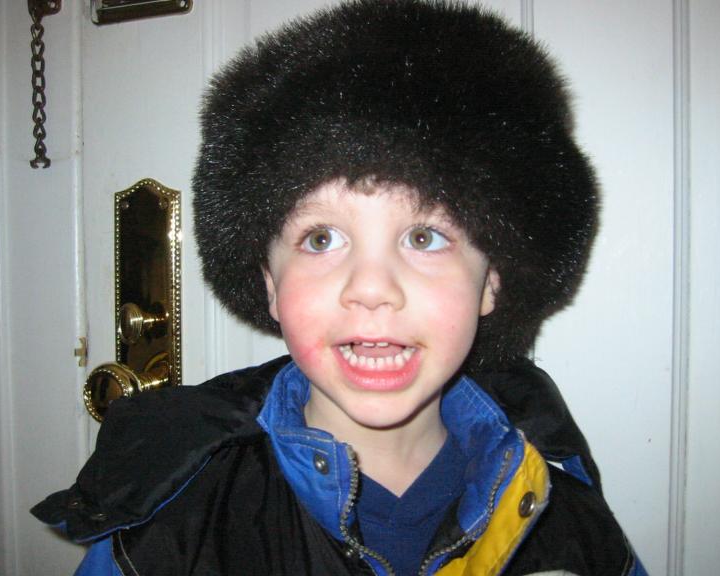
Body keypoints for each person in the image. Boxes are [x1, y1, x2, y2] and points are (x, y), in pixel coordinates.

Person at [32, 1, 648, 574]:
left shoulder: (560, 520)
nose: (372, 289)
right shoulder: (172, 530)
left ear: (493, 281)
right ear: (269, 284)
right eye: (321, 238)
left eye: (425, 236)